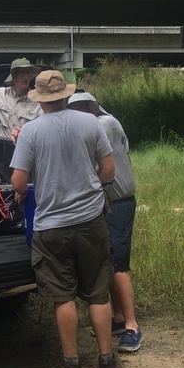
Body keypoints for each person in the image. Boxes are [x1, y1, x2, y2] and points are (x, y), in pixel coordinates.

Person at [9, 70, 123, 368]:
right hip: (91, 221)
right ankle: (107, 364)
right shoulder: (91, 123)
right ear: (66, 94)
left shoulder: (31, 131)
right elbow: (109, 170)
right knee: (98, 293)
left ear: (40, 99)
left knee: (63, 296)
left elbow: (18, 183)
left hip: (52, 227)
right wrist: (85, 187)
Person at [67, 92, 142, 353]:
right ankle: (119, 319)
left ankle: (132, 326)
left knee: (119, 264)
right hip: (108, 201)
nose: (74, 116)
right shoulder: (103, 121)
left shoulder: (103, 124)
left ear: (91, 107)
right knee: (109, 261)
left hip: (118, 201)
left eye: (78, 110)